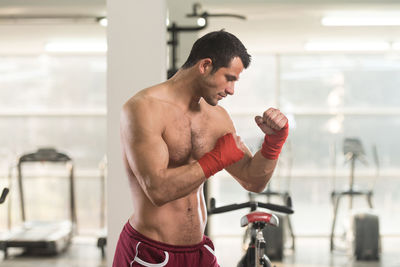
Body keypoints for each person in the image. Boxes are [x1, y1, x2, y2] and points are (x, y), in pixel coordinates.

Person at [113, 30, 289, 267]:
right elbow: (158, 190)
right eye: (229, 78)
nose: (231, 90)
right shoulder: (144, 108)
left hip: (198, 253)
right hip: (149, 253)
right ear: (206, 65)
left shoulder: (217, 118)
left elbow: (253, 181)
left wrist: (273, 143)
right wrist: (214, 160)